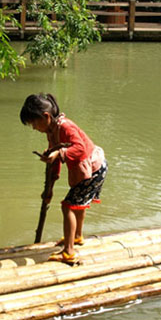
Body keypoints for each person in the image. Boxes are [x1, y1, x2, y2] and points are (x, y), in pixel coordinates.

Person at [20, 93, 107, 265]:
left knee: (68, 206)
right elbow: (56, 160)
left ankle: (69, 252)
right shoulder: (52, 132)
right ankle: (77, 236)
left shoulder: (66, 127)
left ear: (45, 117)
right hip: (92, 168)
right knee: (77, 203)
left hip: (94, 169)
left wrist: (59, 153)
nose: (34, 128)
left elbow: (80, 149)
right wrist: (49, 189)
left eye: (34, 123)